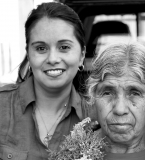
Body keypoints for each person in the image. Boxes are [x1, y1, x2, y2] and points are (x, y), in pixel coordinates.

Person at [0, 2, 87, 159]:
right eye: (41, 48)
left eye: (64, 47)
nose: (53, 59)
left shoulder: (96, 117)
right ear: (29, 54)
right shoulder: (2, 107)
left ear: (81, 55)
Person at [86, 42, 145, 160]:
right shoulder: (73, 149)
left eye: (135, 93)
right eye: (107, 93)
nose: (120, 110)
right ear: (93, 97)